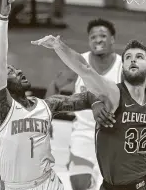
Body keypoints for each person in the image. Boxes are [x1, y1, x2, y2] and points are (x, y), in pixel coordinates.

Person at [0, 0, 115, 190]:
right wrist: (3, 18)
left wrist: (97, 102)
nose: (18, 71)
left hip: (49, 184)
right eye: (12, 72)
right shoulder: (1, 109)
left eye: (16, 69)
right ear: (3, 83)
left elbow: (86, 97)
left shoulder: (46, 106)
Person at [31, 35, 146, 190]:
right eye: (128, 58)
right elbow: (85, 69)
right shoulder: (113, 93)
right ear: (123, 66)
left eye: (139, 57)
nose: (133, 60)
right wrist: (59, 45)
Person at [45, 19, 122, 190]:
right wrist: (46, 119)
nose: (98, 40)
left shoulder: (123, 66)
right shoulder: (79, 62)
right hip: (84, 133)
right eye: (93, 37)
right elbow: (55, 85)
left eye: (103, 36)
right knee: (79, 185)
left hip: (115, 135)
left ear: (112, 39)